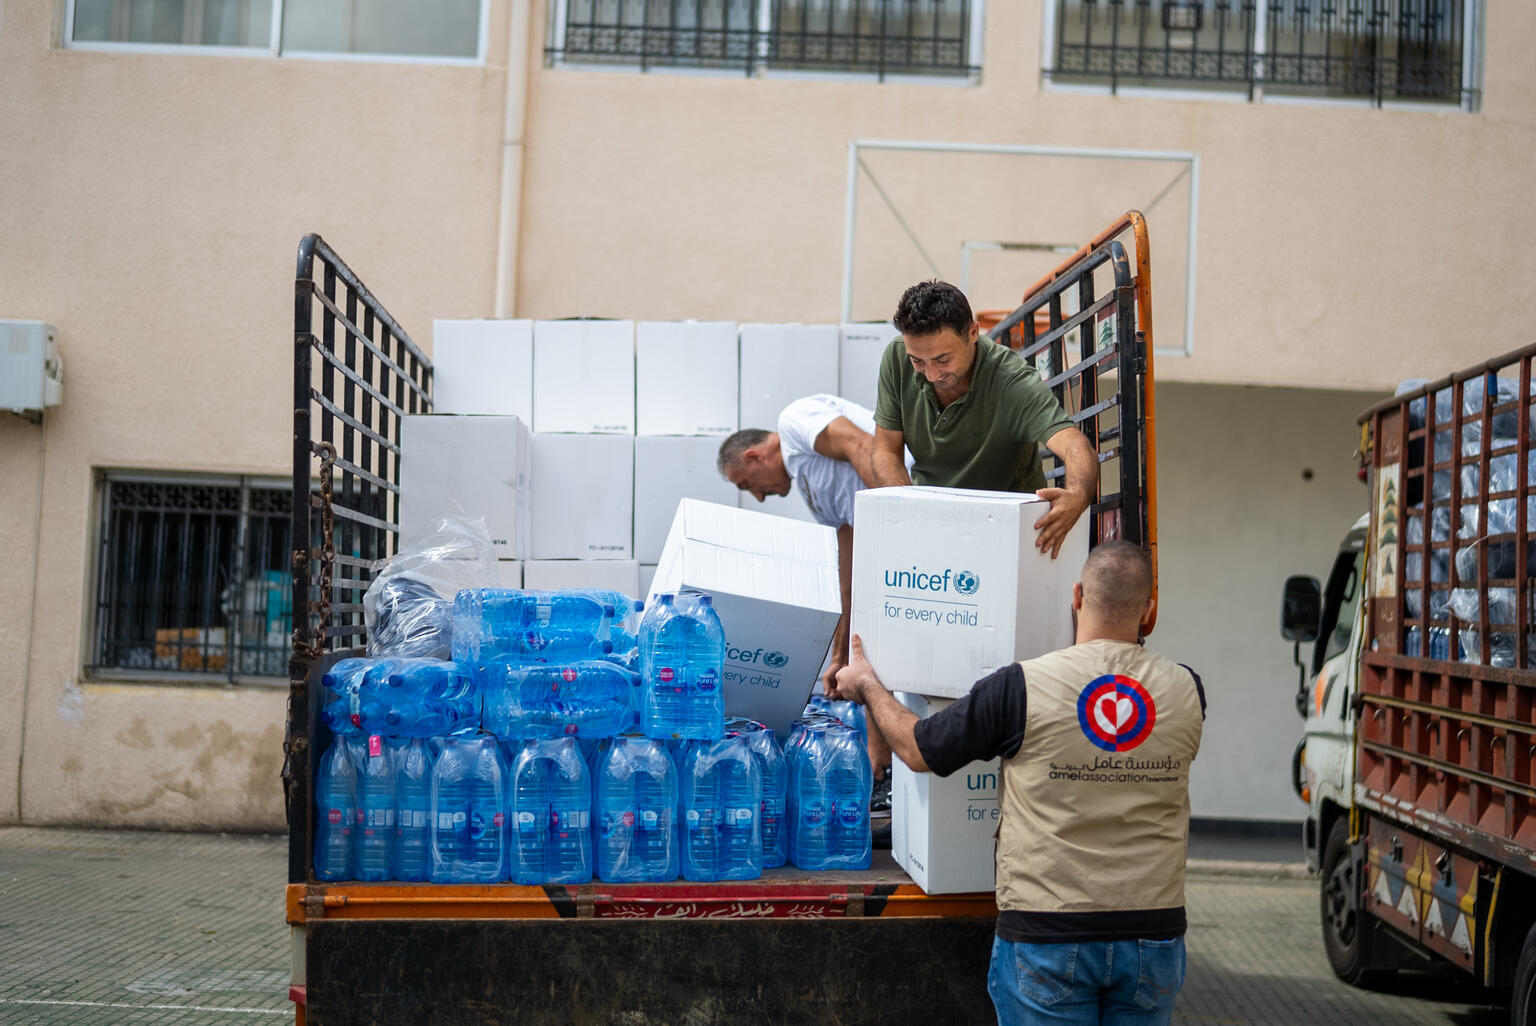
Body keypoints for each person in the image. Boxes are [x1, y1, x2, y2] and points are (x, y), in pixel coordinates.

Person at [835, 541, 1205, 1026]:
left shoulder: (1022, 686)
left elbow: (918, 749)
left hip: (1049, 934)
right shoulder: (1188, 689)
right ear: (1149, 610)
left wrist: (865, 683)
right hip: (1153, 935)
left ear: (1076, 596)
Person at [716, 394, 914, 800]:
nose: (756, 496)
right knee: (866, 650)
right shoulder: (815, 493)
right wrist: (838, 654)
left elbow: (862, 445)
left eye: (746, 485)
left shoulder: (793, 421)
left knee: (876, 644)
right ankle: (883, 777)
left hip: (909, 507)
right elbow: (848, 564)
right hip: (892, 539)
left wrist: (904, 521)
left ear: (754, 457)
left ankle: (884, 770)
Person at [872, 280, 1100, 559]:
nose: (931, 374)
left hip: (1008, 530)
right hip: (932, 520)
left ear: (972, 333)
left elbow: (1075, 446)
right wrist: (909, 511)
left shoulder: (1012, 381)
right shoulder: (896, 357)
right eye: (918, 361)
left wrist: (1077, 495)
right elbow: (885, 451)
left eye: (942, 360)